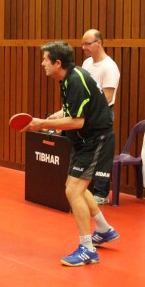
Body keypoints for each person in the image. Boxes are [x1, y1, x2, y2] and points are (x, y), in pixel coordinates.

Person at [23, 42, 119, 266]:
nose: (42, 63)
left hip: (96, 140)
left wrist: (41, 123)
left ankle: (87, 249)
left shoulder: (76, 80)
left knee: (73, 191)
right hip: (83, 141)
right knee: (76, 187)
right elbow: (73, 110)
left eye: (45, 59)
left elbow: (77, 121)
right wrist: (56, 117)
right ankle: (103, 229)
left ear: (58, 63)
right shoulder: (67, 79)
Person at [81, 29, 121, 205]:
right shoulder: (86, 63)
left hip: (102, 115)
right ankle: (85, 188)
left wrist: (88, 107)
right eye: (82, 44)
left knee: (102, 154)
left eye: (87, 44)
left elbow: (108, 97)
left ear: (99, 43)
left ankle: (102, 193)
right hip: (88, 114)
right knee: (87, 151)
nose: (84, 47)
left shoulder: (110, 67)